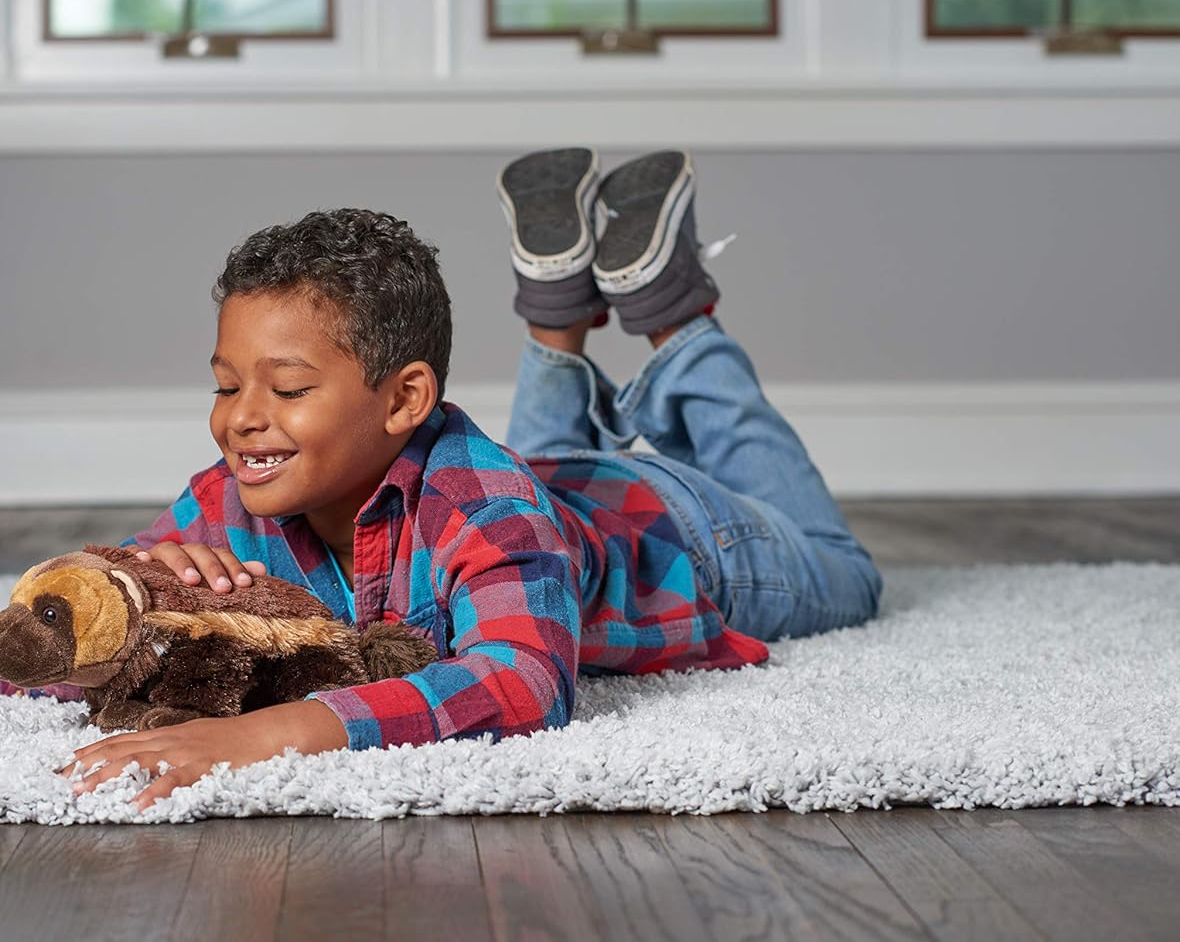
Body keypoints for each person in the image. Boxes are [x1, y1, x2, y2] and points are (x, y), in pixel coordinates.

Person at [44, 147, 882, 811]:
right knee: (528, 480)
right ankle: (555, 314)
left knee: (849, 571)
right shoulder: (227, 501)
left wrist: (268, 734)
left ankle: (675, 315)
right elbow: (42, 645)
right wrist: (113, 582)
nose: (241, 418)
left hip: (678, 531)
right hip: (550, 491)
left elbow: (524, 681)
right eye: (227, 385)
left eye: (289, 389)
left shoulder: (485, 504)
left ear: (405, 396)